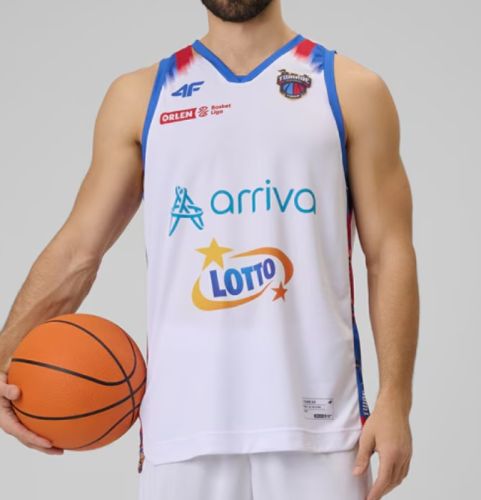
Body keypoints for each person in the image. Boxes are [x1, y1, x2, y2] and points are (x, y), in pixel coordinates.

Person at [0, 0, 419, 499]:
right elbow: (78, 252)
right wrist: (3, 359)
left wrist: (396, 397)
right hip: (183, 427)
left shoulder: (349, 88)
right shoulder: (141, 96)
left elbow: (389, 251)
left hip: (321, 424)